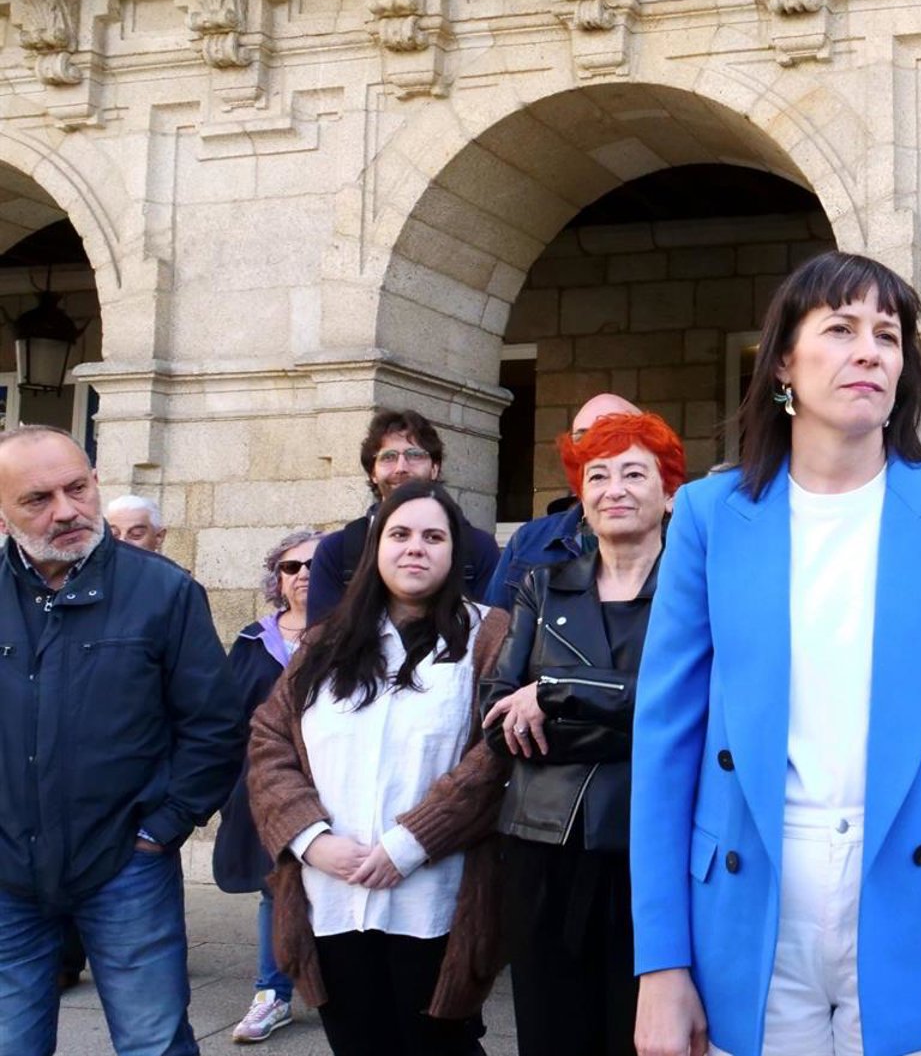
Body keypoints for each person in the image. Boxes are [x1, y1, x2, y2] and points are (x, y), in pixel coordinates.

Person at [629, 250, 921, 1056]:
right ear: (784, 360)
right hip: (747, 894)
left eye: (888, 335)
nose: (870, 351)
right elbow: (665, 740)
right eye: (842, 329)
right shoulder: (711, 513)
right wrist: (661, 961)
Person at [0, 424, 245, 1056]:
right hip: (7, 876)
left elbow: (214, 724)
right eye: (37, 499)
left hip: (125, 867)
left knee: (153, 1043)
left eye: (77, 488)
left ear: (95, 482)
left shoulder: (163, 591)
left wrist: (164, 827)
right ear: (1, 513)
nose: (66, 511)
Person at [248, 480, 512, 1055]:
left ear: (455, 553)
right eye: (400, 534)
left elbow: (496, 753)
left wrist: (410, 844)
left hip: (433, 898)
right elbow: (269, 740)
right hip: (331, 894)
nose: (415, 547)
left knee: (440, 1046)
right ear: (376, 549)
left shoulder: (490, 634)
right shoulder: (326, 642)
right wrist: (309, 839)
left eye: (433, 537)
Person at [479, 410, 686, 1056]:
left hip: (651, 844)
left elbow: (690, 712)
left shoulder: (694, 588)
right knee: (550, 1034)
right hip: (542, 845)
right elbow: (497, 722)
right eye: (597, 475)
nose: (613, 489)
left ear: (669, 493)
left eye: (634, 473)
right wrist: (631, 720)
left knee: (642, 1035)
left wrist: (555, 692)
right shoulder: (541, 586)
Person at [215, 529, 323, 1044]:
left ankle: (339, 987)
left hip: (334, 782)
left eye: (315, 565)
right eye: (291, 567)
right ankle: (272, 993)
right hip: (269, 784)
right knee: (274, 886)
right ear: (276, 579)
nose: (303, 574)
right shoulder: (254, 639)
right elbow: (229, 714)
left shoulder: (355, 633)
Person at [307, 409, 500, 622]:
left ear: (435, 469)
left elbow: (491, 634)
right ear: (372, 473)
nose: (401, 468)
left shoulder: (478, 548)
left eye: (414, 455)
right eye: (388, 457)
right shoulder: (336, 551)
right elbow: (323, 639)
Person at [482, 393, 644, 609]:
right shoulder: (529, 540)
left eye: (613, 435)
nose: (596, 448)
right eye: (582, 438)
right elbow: (496, 624)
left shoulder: (679, 541)